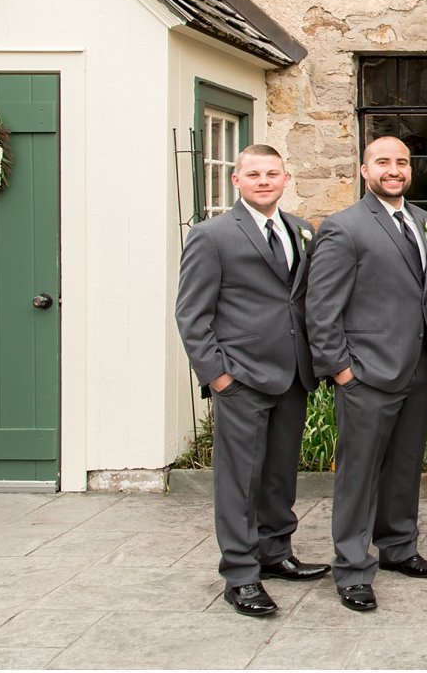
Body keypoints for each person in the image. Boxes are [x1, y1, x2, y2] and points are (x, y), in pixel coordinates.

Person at [175, 144, 329, 618]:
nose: (264, 181)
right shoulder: (211, 236)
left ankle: (275, 552)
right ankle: (240, 574)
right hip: (240, 378)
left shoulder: (302, 232)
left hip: (292, 375)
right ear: (237, 181)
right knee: (240, 481)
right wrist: (218, 376)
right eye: (254, 174)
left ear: (285, 179)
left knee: (280, 473)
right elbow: (191, 315)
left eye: (273, 173)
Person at [306, 135, 427, 612]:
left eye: (402, 162)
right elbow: (321, 308)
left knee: (406, 464)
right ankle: (351, 566)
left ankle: (398, 547)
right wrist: (342, 371)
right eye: (383, 162)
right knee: (360, 472)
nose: (394, 170)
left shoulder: (426, 224)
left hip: (418, 367)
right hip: (367, 373)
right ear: (365, 170)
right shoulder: (343, 228)